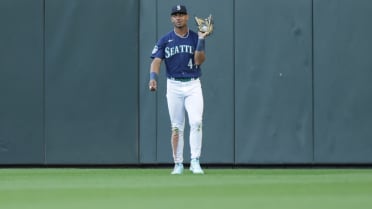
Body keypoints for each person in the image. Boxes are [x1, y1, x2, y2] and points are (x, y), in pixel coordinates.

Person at [148, 4, 209, 174]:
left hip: (192, 83)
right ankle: (178, 163)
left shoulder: (195, 37)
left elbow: (198, 60)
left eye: (181, 14)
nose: (178, 17)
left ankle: (195, 161)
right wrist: (153, 78)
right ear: (171, 18)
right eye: (175, 15)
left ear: (187, 17)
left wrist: (202, 39)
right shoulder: (165, 40)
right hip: (173, 85)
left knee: (196, 122)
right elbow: (156, 61)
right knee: (176, 127)